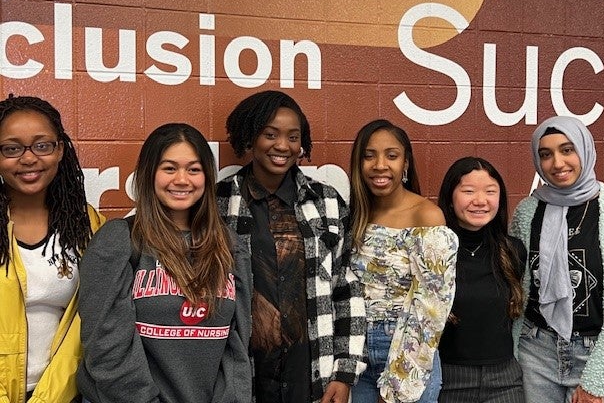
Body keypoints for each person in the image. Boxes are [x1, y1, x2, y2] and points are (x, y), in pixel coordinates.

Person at [77, 123, 251, 403]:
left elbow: (237, 347)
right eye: (169, 168)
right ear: (149, 174)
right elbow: (106, 348)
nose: (182, 179)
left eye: (194, 169)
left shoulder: (229, 247)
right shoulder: (119, 241)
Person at [216, 90, 366, 403]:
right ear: (250, 137)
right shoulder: (218, 202)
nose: (283, 146)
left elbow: (347, 288)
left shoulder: (326, 202)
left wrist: (344, 373)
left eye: (293, 137)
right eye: (270, 134)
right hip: (242, 375)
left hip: (312, 374)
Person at [510, 116, 604, 403]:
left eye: (567, 150)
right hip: (536, 353)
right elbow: (516, 288)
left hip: (595, 353)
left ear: (585, 150)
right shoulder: (528, 211)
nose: (557, 163)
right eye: (546, 154)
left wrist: (595, 380)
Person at [0, 95, 105, 403]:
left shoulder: (87, 224)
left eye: (42, 145)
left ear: (60, 149)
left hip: (64, 393)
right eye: (11, 148)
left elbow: (91, 321)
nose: (29, 158)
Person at [349, 119, 458, 403]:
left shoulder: (426, 216)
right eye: (369, 155)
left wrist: (399, 383)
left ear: (405, 163)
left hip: (405, 353)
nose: (380, 165)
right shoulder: (356, 215)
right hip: (358, 356)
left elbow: (432, 308)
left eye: (392, 156)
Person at [437, 156, 526, 402]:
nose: (480, 201)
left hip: (505, 381)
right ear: (450, 199)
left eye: (490, 191)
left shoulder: (514, 251)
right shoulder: (434, 251)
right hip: (447, 379)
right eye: (468, 191)